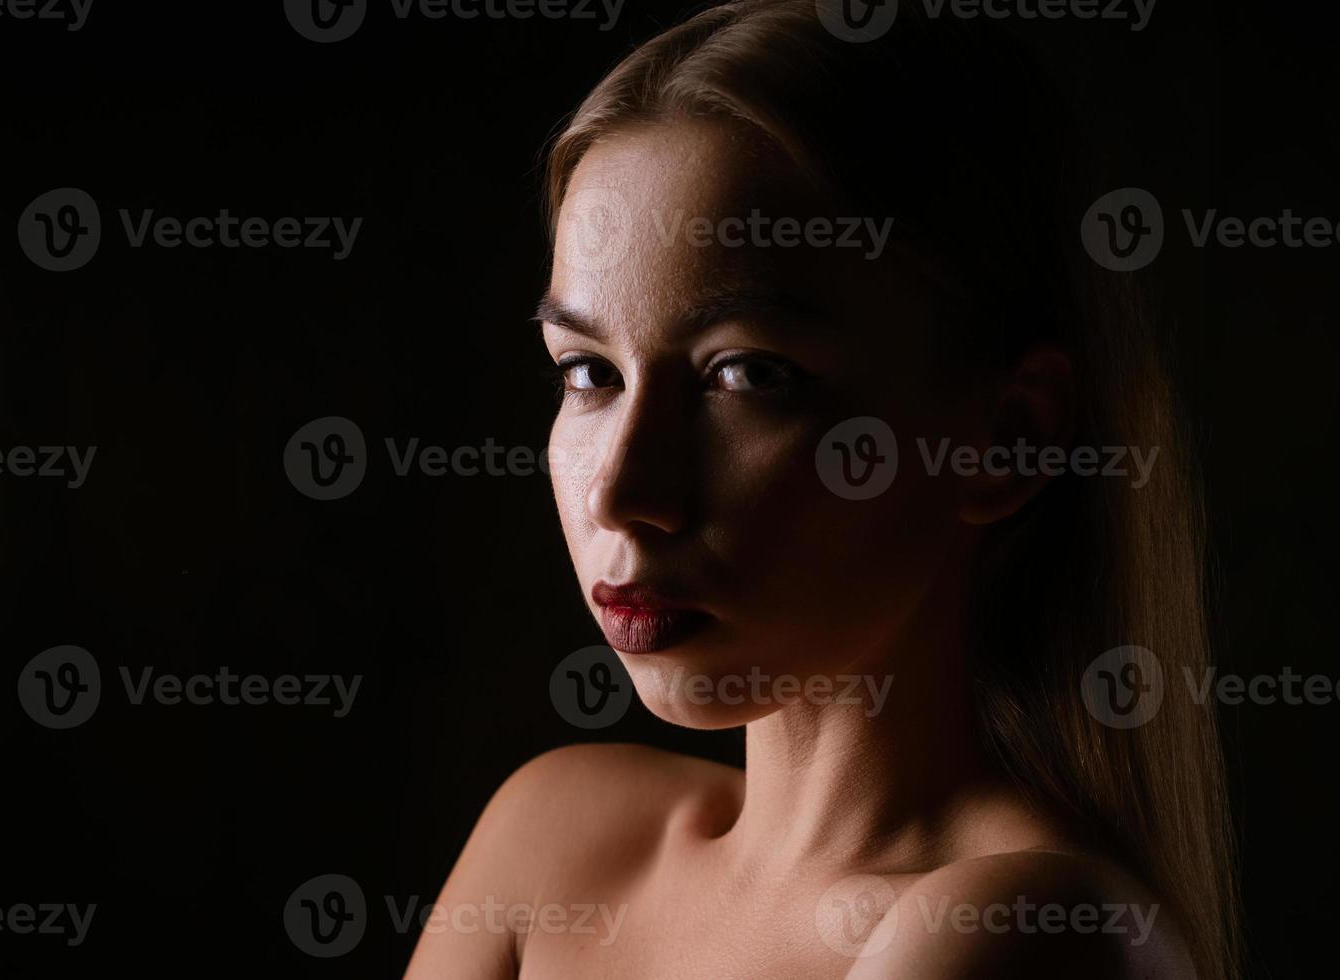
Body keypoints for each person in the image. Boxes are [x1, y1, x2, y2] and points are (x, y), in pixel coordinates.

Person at [407, 1, 1239, 976]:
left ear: (1006, 436)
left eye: (748, 376)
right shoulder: (555, 836)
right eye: (590, 372)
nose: (623, 491)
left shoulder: (1029, 926)